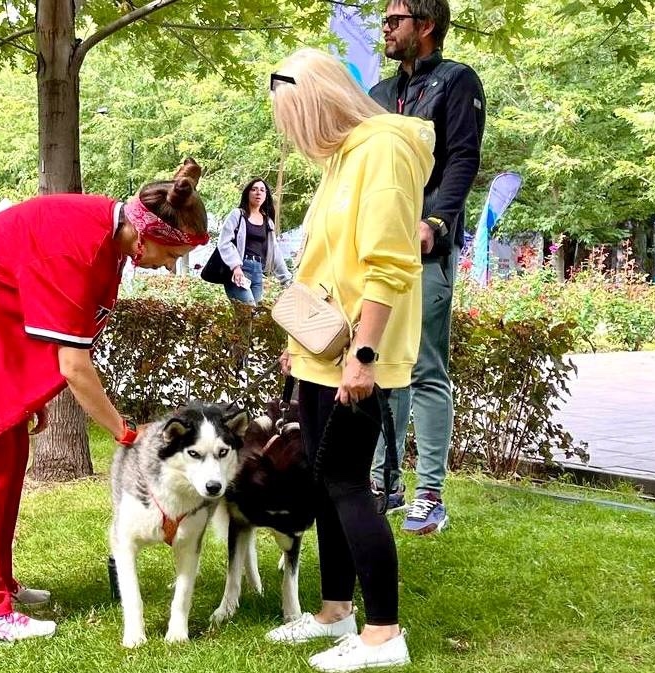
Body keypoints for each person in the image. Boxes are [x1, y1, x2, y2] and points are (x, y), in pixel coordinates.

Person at [0, 159, 209, 644]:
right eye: (169, 253)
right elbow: (74, 366)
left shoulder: (107, 242)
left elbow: (36, 308)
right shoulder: (83, 247)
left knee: (10, 457)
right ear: (144, 234)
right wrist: (124, 432)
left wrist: (26, 390)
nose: (169, 265)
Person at [267, 49, 433, 671]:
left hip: (359, 352)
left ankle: (384, 634)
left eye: (295, 116)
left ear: (319, 102)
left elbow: (390, 264)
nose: (296, 134)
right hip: (321, 346)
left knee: (346, 483)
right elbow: (326, 261)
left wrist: (362, 357)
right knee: (324, 480)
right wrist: (300, 343)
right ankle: (336, 610)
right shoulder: (342, 157)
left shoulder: (384, 150)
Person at [368, 0, 486, 534]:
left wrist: (436, 222)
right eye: (384, 20)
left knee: (424, 366)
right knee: (385, 366)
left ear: (426, 25)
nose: (385, 29)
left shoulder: (457, 81)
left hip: (427, 248)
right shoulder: (376, 95)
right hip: (380, 246)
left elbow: (463, 157)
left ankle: (430, 493)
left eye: (395, 20)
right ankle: (383, 483)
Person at [218, 178, 292, 305]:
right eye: (254, 189)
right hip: (239, 270)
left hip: (257, 271)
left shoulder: (268, 221)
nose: (258, 193)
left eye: (262, 190)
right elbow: (224, 242)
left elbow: (275, 251)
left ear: (266, 196)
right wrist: (236, 266)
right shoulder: (238, 215)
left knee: (252, 318)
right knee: (248, 309)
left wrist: (287, 280)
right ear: (247, 193)